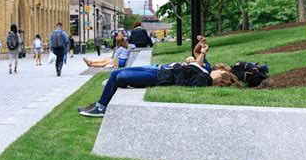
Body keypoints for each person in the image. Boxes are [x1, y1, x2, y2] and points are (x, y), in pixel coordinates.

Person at [79, 41, 212, 117]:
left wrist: (180, 65)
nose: (220, 66)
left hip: (158, 77)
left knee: (118, 76)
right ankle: (100, 104)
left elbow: (184, 79)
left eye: (221, 68)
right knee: (116, 74)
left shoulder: (204, 76)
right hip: (159, 69)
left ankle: (101, 107)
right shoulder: (205, 67)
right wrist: (201, 47)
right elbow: (197, 54)